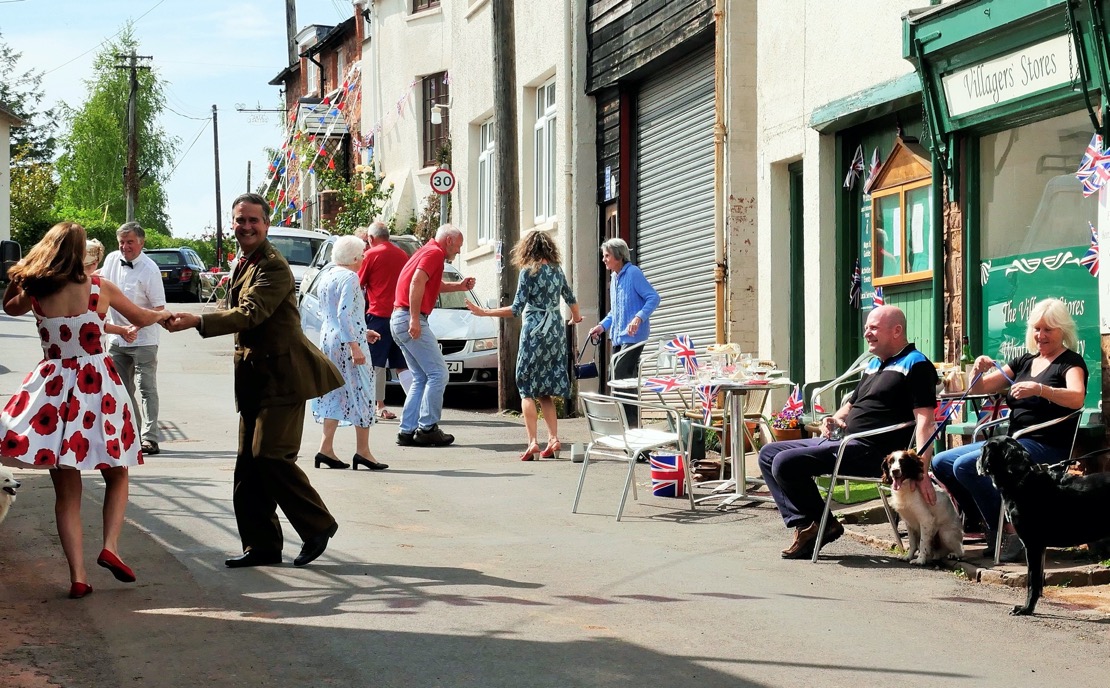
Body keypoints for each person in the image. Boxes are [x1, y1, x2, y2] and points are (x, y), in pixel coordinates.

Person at [165, 193, 344, 569]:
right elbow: (234, 310)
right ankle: (262, 545)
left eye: (253, 221)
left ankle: (317, 525)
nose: (246, 227)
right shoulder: (244, 261)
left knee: (270, 456)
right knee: (248, 465)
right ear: (232, 223)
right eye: (240, 220)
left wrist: (199, 321)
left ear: (266, 224)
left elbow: (250, 313)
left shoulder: (273, 266)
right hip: (254, 378)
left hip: (284, 377)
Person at [1, 222, 171, 598]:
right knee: (117, 471)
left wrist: (18, 274)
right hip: (97, 387)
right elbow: (140, 317)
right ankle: (110, 546)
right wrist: (162, 315)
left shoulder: (36, 291)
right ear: (80, 253)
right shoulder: (98, 288)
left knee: (66, 491)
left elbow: (8, 308)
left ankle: (78, 576)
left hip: (53, 387)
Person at [758, 305, 938, 559]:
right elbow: (851, 404)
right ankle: (811, 523)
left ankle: (819, 524)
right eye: (866, 328)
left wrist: (921, 471)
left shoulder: (917, 365)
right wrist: (835, 418)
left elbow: (925, 422)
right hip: (844, 442)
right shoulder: (874, 364)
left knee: (785, 462)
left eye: (873, 328)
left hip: (872, 452)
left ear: (896, 331)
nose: (866, 333)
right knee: (767, 454)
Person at [932, 297, 1087, 561]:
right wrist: (977, 371)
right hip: (1013, 444)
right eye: (1037, 329)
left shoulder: (1070, 362)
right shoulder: (1024, 361)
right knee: (942, 462)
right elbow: (980, 388)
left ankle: (1011, 531)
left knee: (966, 466)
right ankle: (989, 523)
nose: (1041, 335)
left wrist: (1040, 389)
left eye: (1048, 329)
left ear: (1063, 330)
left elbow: (1077, 397)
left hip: (1044, 445)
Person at [466, 231, 582, 460]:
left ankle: (532, 443)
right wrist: (576, 318)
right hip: (555, 333)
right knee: (545, 390)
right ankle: (554, 439)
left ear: (527, 249)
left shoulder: (529, 272)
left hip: (534, 333)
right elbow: (570, 299)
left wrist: (485, 312)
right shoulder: (557, 270)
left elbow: (516, 309)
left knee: (526, 388)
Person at [390, 224, 475, 447]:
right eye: (458, 246)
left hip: (398, 317)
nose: (458, 251)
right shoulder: (435, 253)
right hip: (409, 317)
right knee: (439, 373)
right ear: (449, 240)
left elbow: (431, 284)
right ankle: (427, 428)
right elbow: (417, 281)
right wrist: (414, 318)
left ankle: (407, 431)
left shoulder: (426, 250)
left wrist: (459, 286)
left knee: (420, 377)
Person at [311, 236, 389, 471]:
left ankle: (325, 448)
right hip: (347, 343)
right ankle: (363, 451)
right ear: (355, 258)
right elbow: (344, 313)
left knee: (334, 390)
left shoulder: (327, 275)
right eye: (362, 255)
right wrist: (355, 345)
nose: (364, 258)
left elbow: (332, 314)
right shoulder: (350, 278)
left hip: (329, 339)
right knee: (363, 391)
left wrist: (362, 332)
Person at [99, 222, 167, 456]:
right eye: (122, 242)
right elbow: (98, 285)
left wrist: (135, 326)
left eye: (130, 242)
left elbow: (158, 308)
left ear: (141, 242)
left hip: (144, 339)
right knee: (120, 390)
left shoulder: (150, 269)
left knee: (147, 389)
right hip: (116, 339)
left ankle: (150, 438)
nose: (125, 247)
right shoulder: (111, 259)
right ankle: (132, 435)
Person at [587, 237, 659, 426]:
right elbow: (615, 311)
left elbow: (653, 297)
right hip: (618, 337)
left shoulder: (633, 273)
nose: (604, 259)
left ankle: (629, 424)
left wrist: (638, 317)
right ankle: (627, 424)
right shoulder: (614, 278)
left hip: (635, 337)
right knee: (620, 377)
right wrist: (602, 326)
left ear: (619, 256)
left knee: (619, 374)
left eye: (607, 256)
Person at [357, 221, 413, 420]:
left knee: (376, 363)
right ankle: (416, 403)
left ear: (371, 238)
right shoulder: (402, 255)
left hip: (378, 315)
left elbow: (358, 283)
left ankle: (379, 406)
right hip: (400, 314)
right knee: (401, 363)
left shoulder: (371, 255)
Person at [84, 239, 140, 343]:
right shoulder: (98, 286)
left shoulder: (55, 282)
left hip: (56, 352)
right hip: (90, 351)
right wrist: (161, 314)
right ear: (95, 262)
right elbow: (95, 324)